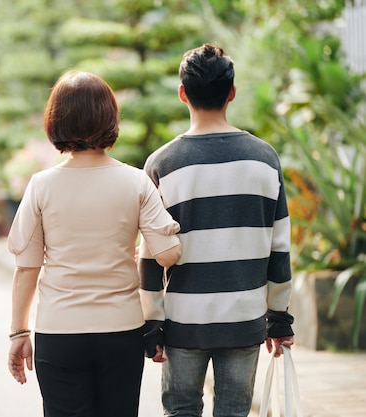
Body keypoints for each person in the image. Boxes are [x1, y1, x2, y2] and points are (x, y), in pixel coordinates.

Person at [6, 70, 182, 417]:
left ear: (56, 121)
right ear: (110, 118)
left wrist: (18, 333)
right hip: (121, 332)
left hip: (59, 333)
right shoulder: (136, 182)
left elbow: (27, 268)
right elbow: (167, 254)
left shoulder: (41, 186)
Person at [137, 43, 295, 417]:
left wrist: (152, 322)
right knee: (234, 411)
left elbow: (147, 254)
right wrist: (280, 317)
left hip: (183, 324)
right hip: (244, 320)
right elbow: (280, 247)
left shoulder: (163, 164)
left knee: (180, 409)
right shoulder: (264, 159)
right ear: (232, 93)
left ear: (182, 94)